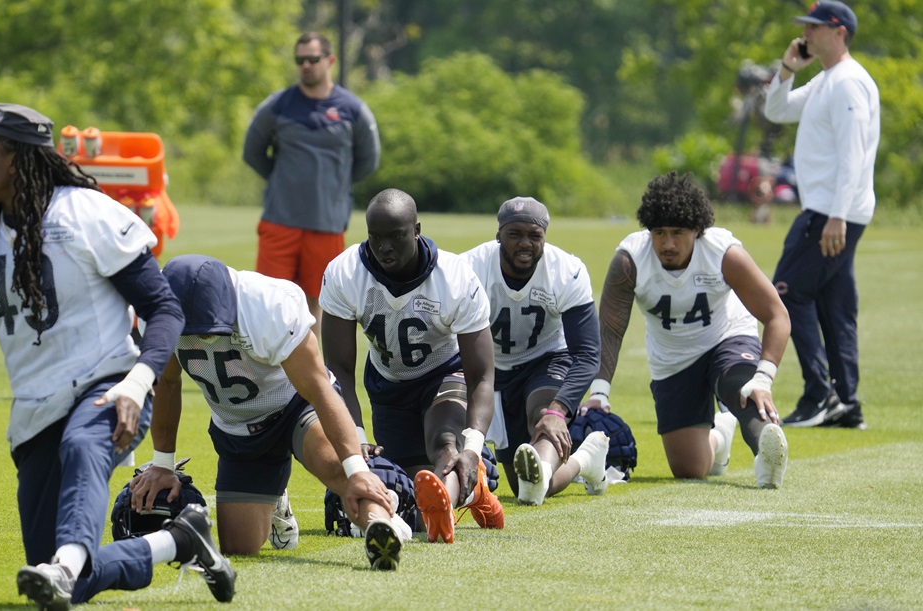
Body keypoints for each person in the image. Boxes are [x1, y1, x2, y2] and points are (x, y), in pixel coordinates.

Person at [0, 103, 238, 608]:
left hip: (111, 386)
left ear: (14, 159)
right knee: (64, 577)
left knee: (84, 446)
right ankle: (179, 540)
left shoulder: (88, 213)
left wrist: (137, 381)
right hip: (36, 411)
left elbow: (164, 308)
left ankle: (65, 565)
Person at [130, 254, 408, 571]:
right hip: (236, 424)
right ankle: (277, 496)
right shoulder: (157, 310)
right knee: (239, 546)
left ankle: (381, 522)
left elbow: (318, 389)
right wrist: (163, 464)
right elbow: (167, 383)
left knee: (337, 471)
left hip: (293, 404)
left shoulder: (269, 306)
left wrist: (357, 470)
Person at [579, 172, 791, 489]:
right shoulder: (630, 261)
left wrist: (763, 378)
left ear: (697, 230)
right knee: (689, 468)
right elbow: (609, 331)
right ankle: (721, 434)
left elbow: (777, 315)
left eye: (678, 232)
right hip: (673, 358)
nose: (667, 243)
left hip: (726, 337)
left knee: (742, 388)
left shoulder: (723, 253)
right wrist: (599, 393)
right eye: (659, 232)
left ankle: (766, 452)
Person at [319, 188, 504, 544]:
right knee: (402, 486)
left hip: (444, 373)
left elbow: (481, 373)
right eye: (376, 238)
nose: (385, 247)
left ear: (417, 229)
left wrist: (473, 445)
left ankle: (460, 481)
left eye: (396, 236)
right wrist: (356, 437)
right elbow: (338, 368)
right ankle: (473, 489)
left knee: (445, 444)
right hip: (388, 384)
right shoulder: (345, 272)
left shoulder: (455, 277)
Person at [764, 1, 879, 430]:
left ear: (839, 32)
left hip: (831, 212)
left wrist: (837, 215)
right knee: (835, 304)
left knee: (787, 292)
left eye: (815, 27)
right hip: (834, 209)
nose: (807, 34)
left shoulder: (847, 83)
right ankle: (845, 402)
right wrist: (787, 70)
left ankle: (820, 395)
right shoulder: (827, 80)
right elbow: (776, 111)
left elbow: (853, 154)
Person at [461, 197, 611, 506]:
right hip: (489, 368)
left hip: (546, 358)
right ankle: (586, 460)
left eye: (534, 235)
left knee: (541, 415)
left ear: (545, 236)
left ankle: (541, 468)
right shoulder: (469, 269)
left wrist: (557, 412)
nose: (524, 243)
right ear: (498, 234)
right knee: (523, 487)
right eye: (515, 234)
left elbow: (587, 353)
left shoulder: (565, 270)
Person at [243, 31, 380, 339]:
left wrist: (334, 186)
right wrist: (281, 180)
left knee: (315, 302)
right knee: (267, 299)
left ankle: (312, 378)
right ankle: (268, 378)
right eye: (300, 60)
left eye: (313, 59)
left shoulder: (353, 109)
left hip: (327, 224)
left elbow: (368, 161)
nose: (306, 65)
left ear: (329, 60)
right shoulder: (278, 105)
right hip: (280, 221)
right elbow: (252, 152)